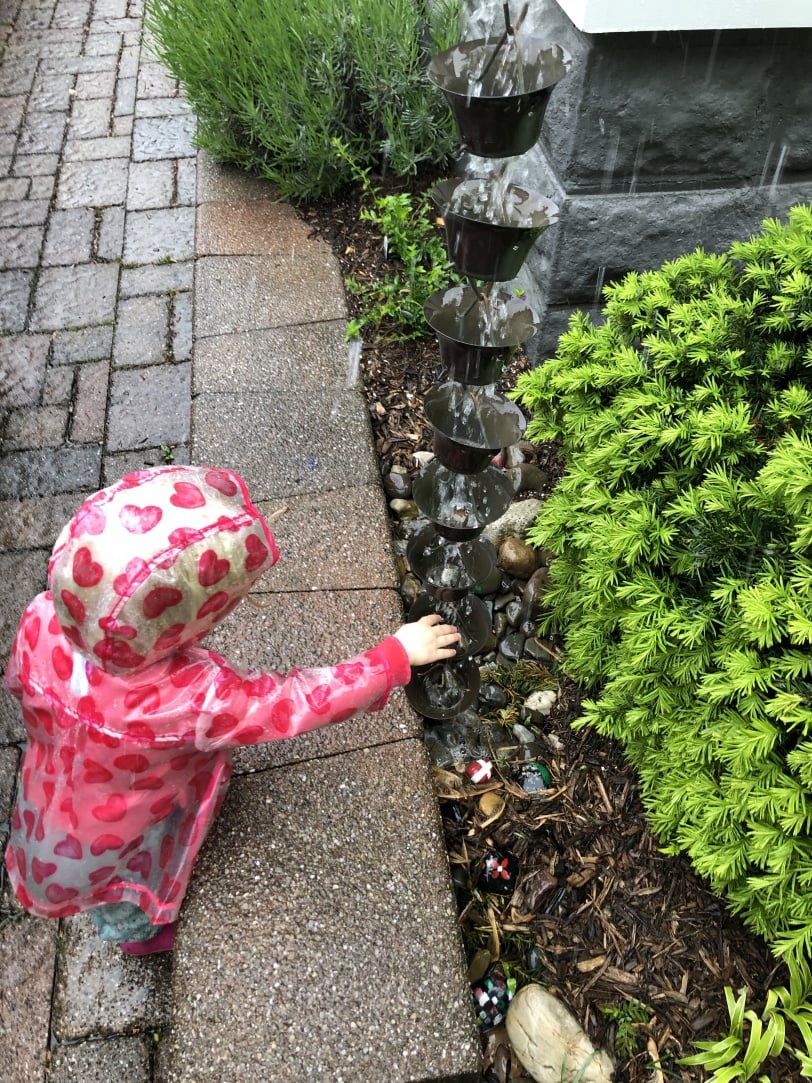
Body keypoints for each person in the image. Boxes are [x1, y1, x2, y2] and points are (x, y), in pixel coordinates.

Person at [3, 465, 459, 955]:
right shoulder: (191, 698)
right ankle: (143, 939)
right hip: (114, 842)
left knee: (102, 880)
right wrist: (391, 658)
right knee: (126, 900)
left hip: (44, 810)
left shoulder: (40, 619)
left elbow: (18, 685)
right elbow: (291, 703)